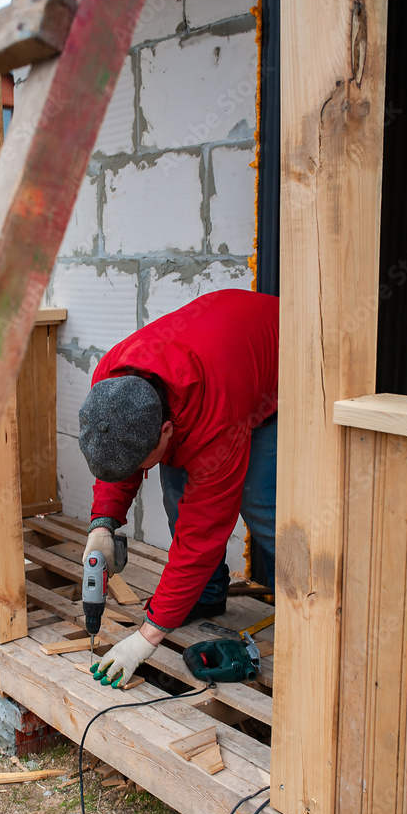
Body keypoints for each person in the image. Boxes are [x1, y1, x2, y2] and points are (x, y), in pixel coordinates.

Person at [78, 288, 279, 688]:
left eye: (143, 460)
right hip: (213, 360)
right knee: (177, 493)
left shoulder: (216, 421)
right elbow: (120, 452)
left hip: (279, 364)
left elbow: (202, 534)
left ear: (166, 429)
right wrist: (103, 523)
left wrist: (146, 638)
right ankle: (207, 593)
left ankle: (312, 607)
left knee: (264, 504)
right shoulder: (112, 381)